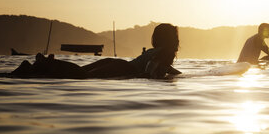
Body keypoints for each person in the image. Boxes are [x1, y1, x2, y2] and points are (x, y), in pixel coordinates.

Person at [10, 23, 181, 79]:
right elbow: (153, 66)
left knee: (82, 72)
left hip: (121, 65)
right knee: (83, 76)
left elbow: (162, 67)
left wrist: (176, 73)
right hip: (126, 70)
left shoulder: (157, 51)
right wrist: (147, 75)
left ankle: (45, 64)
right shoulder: (165, 52)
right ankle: (47, 64)